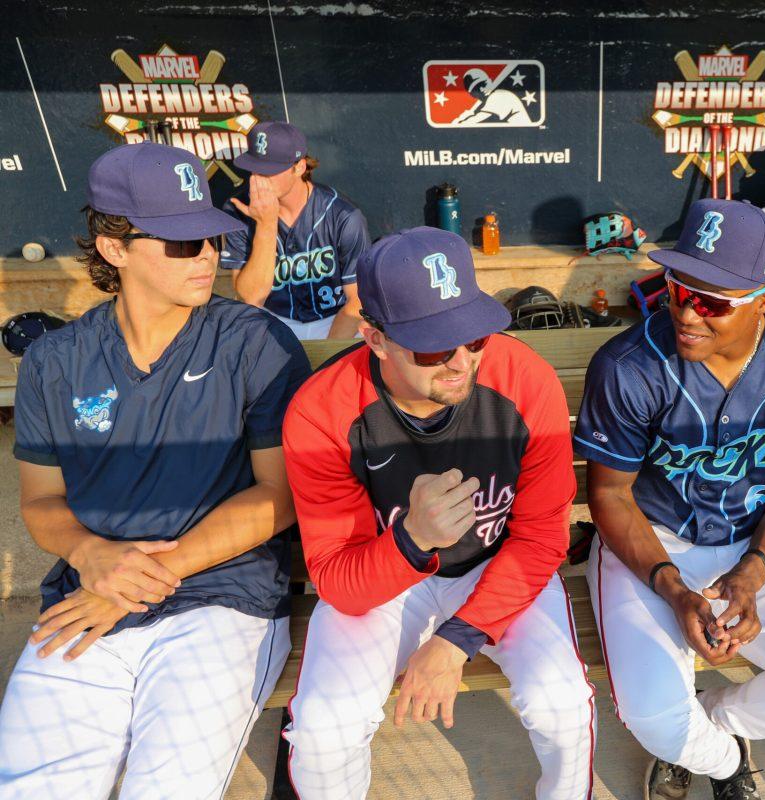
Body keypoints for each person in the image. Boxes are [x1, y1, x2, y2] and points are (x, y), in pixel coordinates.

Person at [0, 142, 311, 796]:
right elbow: (40, 501)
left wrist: (148, 575)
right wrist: (92, 554)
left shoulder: (254, 341)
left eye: (210, 239)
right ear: (114, 248)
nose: (207, 256)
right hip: (89, 597)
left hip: (223, 600)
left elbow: (279, 497)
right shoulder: (56, 361)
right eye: (180, 243)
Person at [281, 227, 596, 799]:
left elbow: (542, 537)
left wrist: (456, 641)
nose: (460, 361)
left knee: (563, 704)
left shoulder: (524, 378)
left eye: (473, 336)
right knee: (324, 730)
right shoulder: (322, 409)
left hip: (496, 564)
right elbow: (340, 581)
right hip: (386, 576)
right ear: (374, 338)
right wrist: (409, 540)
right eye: (432, 347)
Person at [574, 199, 765, 800]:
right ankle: (724, 761)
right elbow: (609, 495)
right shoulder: (629, 366)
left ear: (764, 300)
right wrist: (676, 590)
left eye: (713, 301)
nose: (686, 311)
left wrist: (754, 575)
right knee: (652, 717)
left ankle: (711, 722)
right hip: (650, 543)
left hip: (751, 542)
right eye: (678, 288)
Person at [222, 121, 369, 340]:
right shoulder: (239, 209)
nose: (258, 178)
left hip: (335, 319)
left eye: (269, 170)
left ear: (299, 167)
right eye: (254, 168)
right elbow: (251, 298)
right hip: (273, 319)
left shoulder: (343, 216)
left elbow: (357, 302)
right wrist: (266, 224)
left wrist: (326, 358)